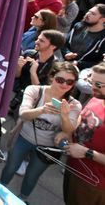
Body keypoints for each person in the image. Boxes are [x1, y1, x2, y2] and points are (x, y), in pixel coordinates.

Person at [0, 62, 82, 201]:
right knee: (10, 167)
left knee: (32, 176)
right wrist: (42, 109)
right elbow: (23, 114)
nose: (64, 85)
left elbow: (68, 130)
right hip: (24, 137)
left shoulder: (74, 104)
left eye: (69, 82)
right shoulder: (35, 90)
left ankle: (22, 199)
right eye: (60, 80)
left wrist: (65, 116)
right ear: (51, 77)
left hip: (48, 147)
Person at [58, 62, 105, 204]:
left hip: (94, 184)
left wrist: (87, 152)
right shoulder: (97, 97)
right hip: (75, 169)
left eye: (98, 84)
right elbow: (82, 117)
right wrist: (67, 132)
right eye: (91, 81)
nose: (92, 88)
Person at [65, 4, 105, 70]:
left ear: (103, 20)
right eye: (89, 11)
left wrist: (79, 64)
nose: (88, 14)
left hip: (85, 73)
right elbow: (65, 43)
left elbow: (100, 62)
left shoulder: (103, 38)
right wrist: (67, 53)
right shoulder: (78, 26)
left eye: (93, 14)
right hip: (65, 65)